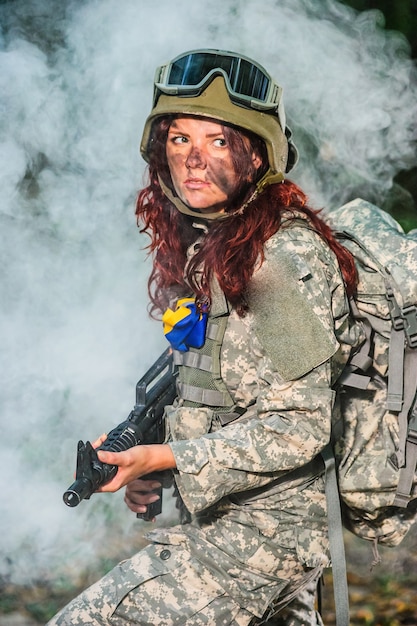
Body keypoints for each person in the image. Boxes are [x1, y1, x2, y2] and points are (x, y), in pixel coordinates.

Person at [48, 49, 363, 625]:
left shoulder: (275, 264)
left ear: (259, 155)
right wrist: (151, 468)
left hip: (259, 543)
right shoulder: (213, 251)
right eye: (178, 139)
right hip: (231, 526)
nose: (193, 160)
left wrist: (167, 456)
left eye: (219, 141)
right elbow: (222, 394)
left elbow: (304, 423)